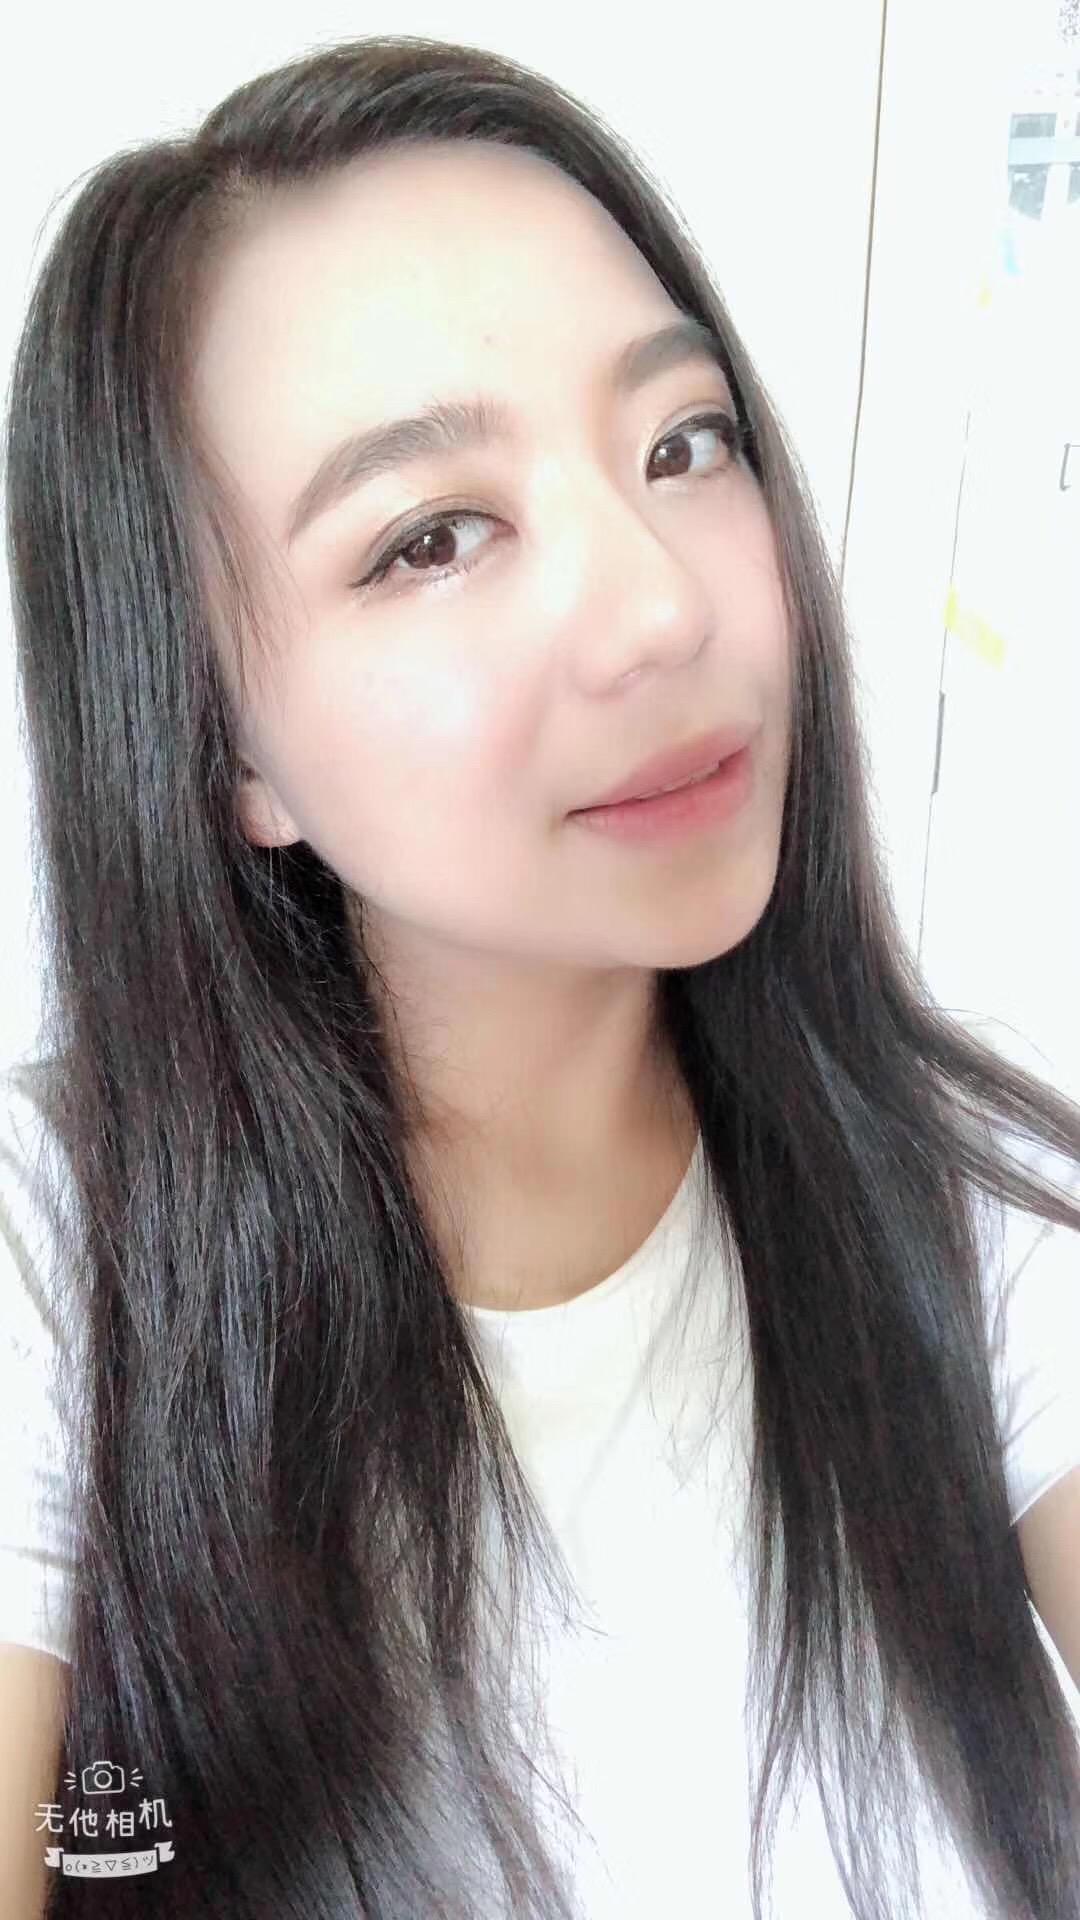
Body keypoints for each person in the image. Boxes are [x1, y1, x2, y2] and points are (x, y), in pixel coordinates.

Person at [2, 33, 1079, 1920]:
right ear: (221, 744)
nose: (663, 605)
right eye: (431, 538)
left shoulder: (961, 1194)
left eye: (684, 443)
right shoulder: (56, 1252)